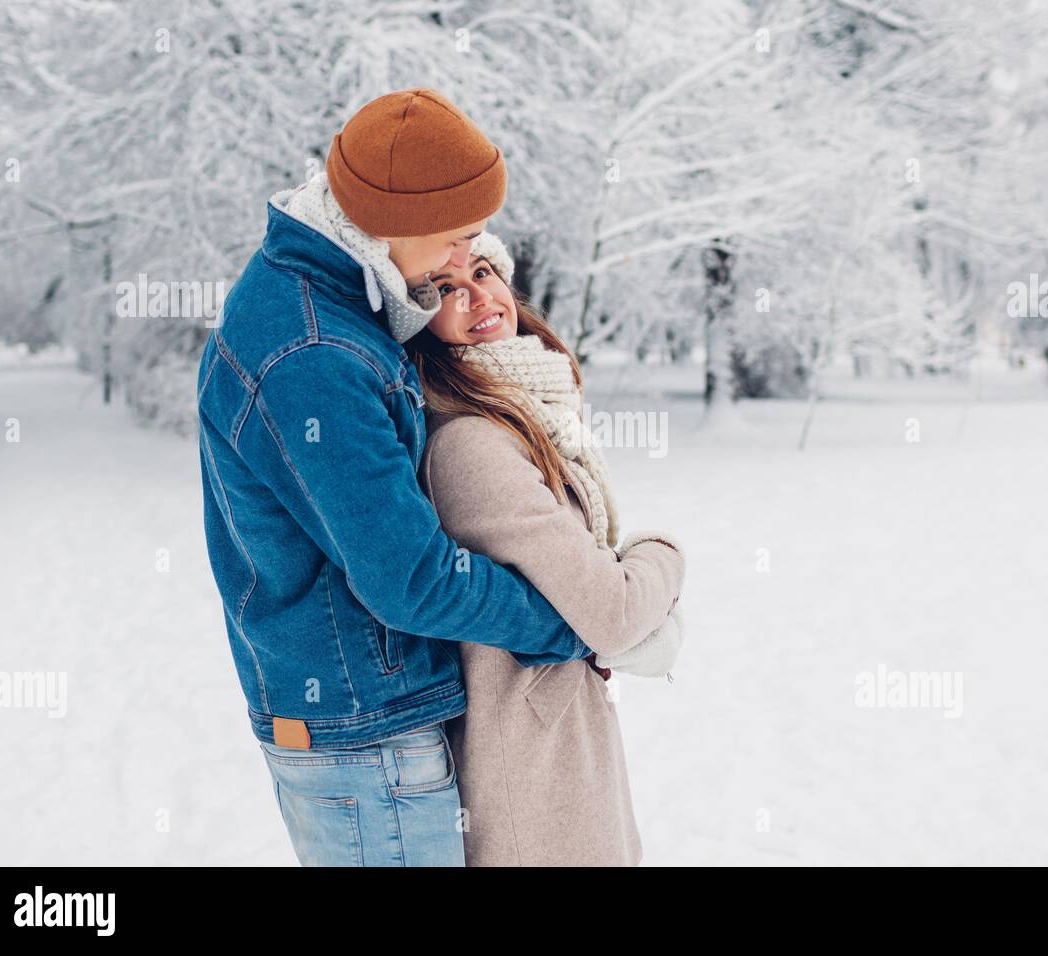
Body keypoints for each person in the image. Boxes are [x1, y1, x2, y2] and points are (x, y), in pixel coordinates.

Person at [196, 88, 589, 866]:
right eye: (455, 240)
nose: (459, 264)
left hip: (350, 722)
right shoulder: (316, 354)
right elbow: (410, 578)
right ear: (391, 222)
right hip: (363, 735)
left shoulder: (323, 292)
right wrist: (570, 623)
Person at [406, 230, 686, 865]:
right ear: (420, 322)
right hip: (527, 774)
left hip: (561, 741)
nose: (478, 296)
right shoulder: (471, 445)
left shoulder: (526, 418)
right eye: (446, 288)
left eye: (483, 272)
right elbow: (611, 613)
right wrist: (662, 550)